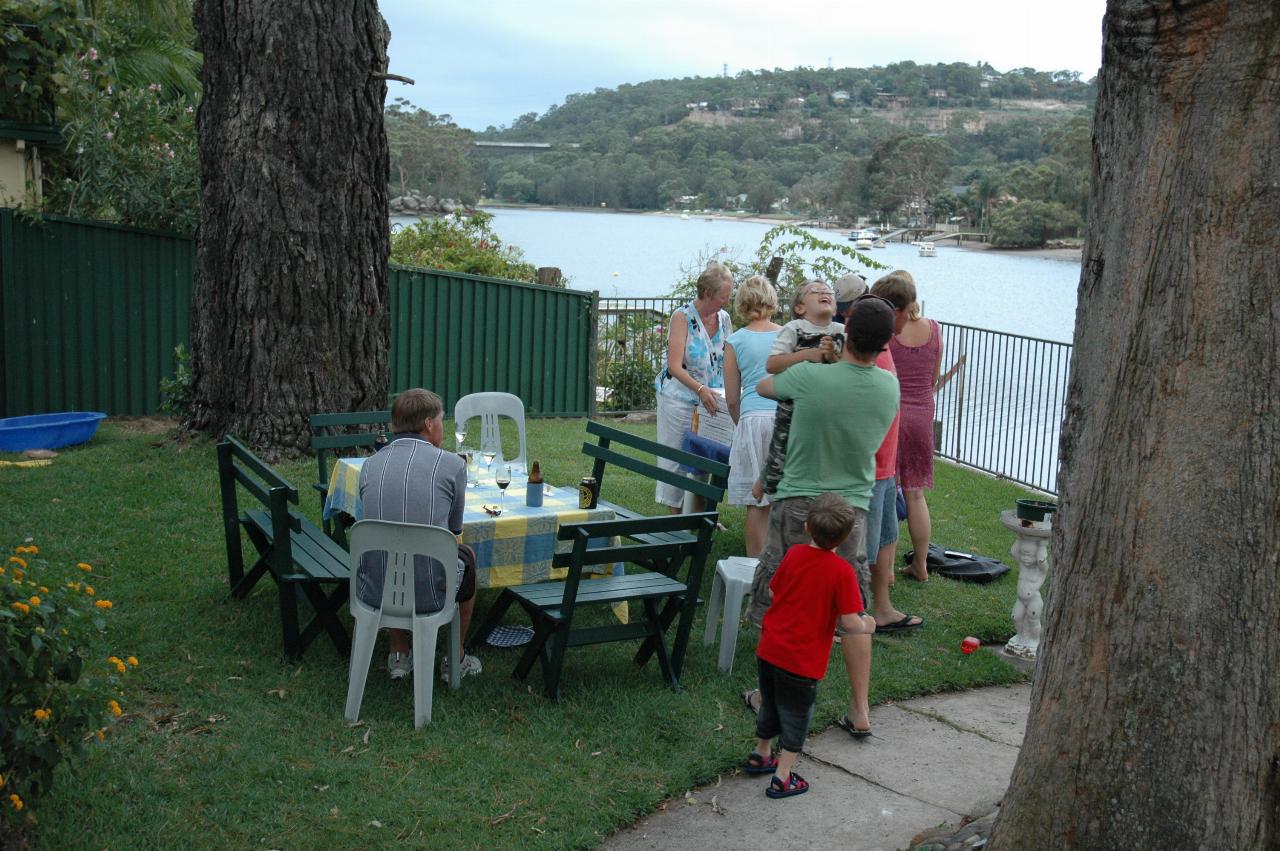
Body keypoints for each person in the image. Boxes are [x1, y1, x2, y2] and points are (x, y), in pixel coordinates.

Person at [745, 296, 899, 739]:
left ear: (845, 333)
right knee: (851, 611)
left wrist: (819, 356)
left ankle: (768, 697)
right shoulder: (889, 387)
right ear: (885, 343)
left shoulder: (811, 377)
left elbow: (764, 387)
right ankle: (860, 708)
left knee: (782, 602)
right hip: (853, 510)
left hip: (798, 505)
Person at [744, 493, 875, 799]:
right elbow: (850, 622)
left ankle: (761, 753)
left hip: (770, 649)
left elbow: (776, 593)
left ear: (806, 526)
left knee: (771, 704)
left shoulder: (794, 555)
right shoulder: (842, 573)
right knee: (796, 717)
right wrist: (868, 624)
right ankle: (782, 775)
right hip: (801, 662)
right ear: (845, 539)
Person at [357, 388, 481, 682]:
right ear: (428, 424)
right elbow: (453, 532)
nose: (442, 427)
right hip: (429, 592)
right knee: (468, 557)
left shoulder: (369, 465)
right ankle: (455, 657)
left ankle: (398, 654)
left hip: (373, 589)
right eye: (441, 420)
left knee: (392, 549)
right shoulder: (452, 465)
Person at [844, 278, 924, 633]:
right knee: (864, 547)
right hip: (871, 467)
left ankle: (883, 608)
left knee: (888, 536)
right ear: (895, 314)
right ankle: (852, 615)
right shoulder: (870, 354)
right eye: (908, 313)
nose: (910, 320)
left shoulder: (886, 349)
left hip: (887, 465)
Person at [752, 279, 845, 502]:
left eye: (828, 291)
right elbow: (772, 365)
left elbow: (847, 367)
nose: (824, 293)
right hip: (793, 406)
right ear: (800, 308)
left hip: (828, 408)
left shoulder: (841, 331)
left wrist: (833, 356)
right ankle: (768, 483)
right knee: (782, 445)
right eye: (816, 291)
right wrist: (807, 355)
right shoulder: (794, 329)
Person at [653, 262, 734, 512]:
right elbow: (675, 366)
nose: (727, 301)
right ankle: (675, 518)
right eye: (724, 296)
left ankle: (697, 515)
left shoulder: (724, 319)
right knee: (675, 458)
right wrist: (700, 389)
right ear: (707, 294)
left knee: (704, 457)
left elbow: (730, 357)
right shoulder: (682, 317)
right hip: (679, 398)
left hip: (712, 400)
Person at [882, 271, 943, 582]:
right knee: (916, 495)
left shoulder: (889, 333)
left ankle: (888, 566)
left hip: (893, 414)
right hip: (922, 415)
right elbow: (933, 379)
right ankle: (921, 563)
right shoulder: (934, 329)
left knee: (889, 491)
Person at [723, 275, 781, 557]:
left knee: (756, 503)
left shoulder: (735, 341)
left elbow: (732, 397)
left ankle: (754, 568)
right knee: (785, 498)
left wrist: (740, 424)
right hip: (783, 416)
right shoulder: (787, 335)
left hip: (751, 417)